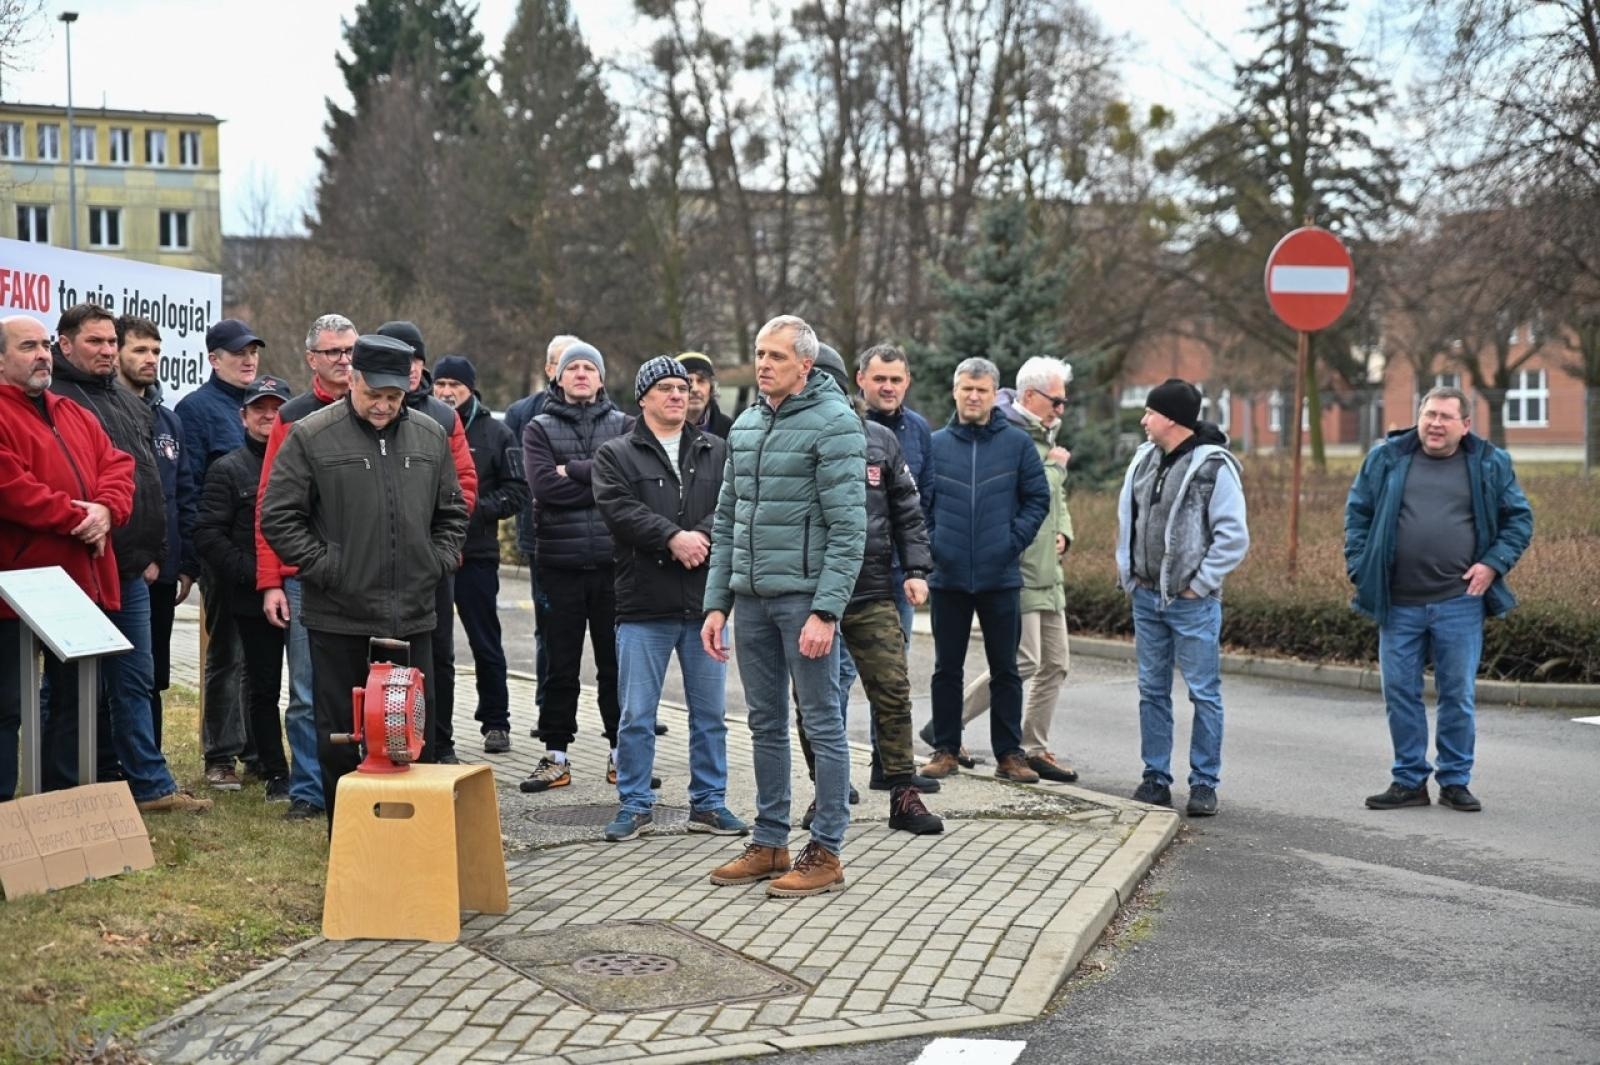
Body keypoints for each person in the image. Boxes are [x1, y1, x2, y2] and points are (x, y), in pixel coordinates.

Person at [0, 314, 207, 813]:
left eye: (44, 345)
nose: (42, 354)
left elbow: (118, 465)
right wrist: (78, 516)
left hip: (83, 583)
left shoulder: (70, 411)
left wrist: (107, 510)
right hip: (18, 589)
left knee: (77, 698)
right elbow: (12, 489)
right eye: (28, 346)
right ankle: (7, 810)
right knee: (8, 706)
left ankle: (66, 802)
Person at [259, 335, 469, 824]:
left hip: (413, 615)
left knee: (411, 735)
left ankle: (407, 845)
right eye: (374, 393)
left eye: (393, 397)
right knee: (338, 740)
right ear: (352, 380)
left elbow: (453, 512)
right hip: (339, 616)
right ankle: (348, 842)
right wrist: (327, 567)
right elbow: (278, 515)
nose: (383, 405)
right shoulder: (312, 435)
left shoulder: (429, 435)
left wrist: (436, 561)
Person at [701, 315, 866, 898]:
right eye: (758, 353)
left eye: (774, 355)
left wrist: (826, 611)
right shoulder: (745, 425)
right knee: (764, 722)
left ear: (806, 365)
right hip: (750, 599)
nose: (762, 363)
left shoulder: (836, 424)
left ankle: (826, 849)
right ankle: (770, 840)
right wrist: (716, 602)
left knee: (822, 722)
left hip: (803, 601)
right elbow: (727, 520)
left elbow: (849, 529)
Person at [1345, 385, 1533, 813]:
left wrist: (1492, 564)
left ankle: (1454, 781)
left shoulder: (1488, 464)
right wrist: (1360, 564)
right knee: (1400, 693)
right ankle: (1409, 780)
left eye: (1446, 416)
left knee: (1457, 695)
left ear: (1465, 425)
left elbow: (1518, 519)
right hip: (1398, 603)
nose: (1435, 423)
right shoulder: (1387, 459)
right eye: (1429, 414)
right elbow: (1358, 514)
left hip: (1459, 602)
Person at [592, 356, 749, 841]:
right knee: (637, 714)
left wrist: (696, 538)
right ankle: (635, 804)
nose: (678, 394)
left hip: (705, 605)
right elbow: (619, 511)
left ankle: (708, 804)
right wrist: (671, 539)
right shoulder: (615, 454)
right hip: (644, 605)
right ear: (643, 398)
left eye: (683, 387)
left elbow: (734, 505)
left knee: (710, 716)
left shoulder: (717, 450)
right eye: (665, 387)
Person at [799, 344, 942, 836]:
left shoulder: (878, 440)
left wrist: (917, 569)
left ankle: (903, 793)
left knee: (893, 689)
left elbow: (907, 510)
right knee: (815, 700)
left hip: (871, 590)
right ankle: (828, 792)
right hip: (808, 593)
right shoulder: (790, 439)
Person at [49, 304, 173, 787]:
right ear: (65, 345)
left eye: (110, 342)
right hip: (79, 567)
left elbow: (142, 479)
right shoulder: (58, 400)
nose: (107, 351)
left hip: (131, 569)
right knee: (70, 686)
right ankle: (72, 782)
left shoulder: (125, 401)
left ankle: (148, 784)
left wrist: (153, 553)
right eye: (95, 342)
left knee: (134, 682)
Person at [1115, 378, 1249, 817]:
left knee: (1203, 693)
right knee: (1151, 690)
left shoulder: (1214, 467)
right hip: (1147, 597)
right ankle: (1155, 778)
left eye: (1149, 412)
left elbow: (1233, 536)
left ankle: (1204, 783)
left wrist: (1200, 583)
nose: (1143, 420)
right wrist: (1130, 575)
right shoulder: (1145, 459)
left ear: (1170, 418)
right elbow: (1130, 519)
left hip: (1193, 603)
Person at [946, 357, 1080, 784]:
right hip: (1016, 568)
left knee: (1055, 664)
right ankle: (945, 727)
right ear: (1028, 396)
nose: (1061, 408)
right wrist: (1057, 468)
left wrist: (1064, 531)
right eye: (1055, 400)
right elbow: (1022, 494)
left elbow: (1051, 503)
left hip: (1048, 569)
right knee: (1021, 661)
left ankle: (1034, 747)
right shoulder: (1011, 435)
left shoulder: (1045, 435)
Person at [921, 357, 1051, 785]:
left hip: (1000, 576)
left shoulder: (1016, 445)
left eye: (982, 389)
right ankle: (945, 748)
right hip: (949, 575)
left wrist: (1010, 543)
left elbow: (1037, 499)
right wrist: (937, 545)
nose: (973, 396)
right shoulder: (935, 445)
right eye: (966, 388)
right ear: (955, 391)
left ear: (995, 395)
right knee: (947, 668)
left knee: (1006, 670)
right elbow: (919, 504)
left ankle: (1010, 755)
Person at [254, 313, 358, 819]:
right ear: (311, 359)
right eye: (333, 352)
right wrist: (272, 580)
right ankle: (309, 790)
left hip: (367, 574)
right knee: (304, 690)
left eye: (350, 350)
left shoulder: (380, 409)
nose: (344, 360)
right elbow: (272, 503)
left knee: (370, 686)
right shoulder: (292, 416)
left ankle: (360, 784)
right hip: (305, 578)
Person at [519, 341, 632, 791]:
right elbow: (545, 488)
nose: (582, 373)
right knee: (560, 665)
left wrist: (574, 471)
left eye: (590, 367)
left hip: (614, 565)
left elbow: (625, 486)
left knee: (616, 666)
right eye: (574, 367)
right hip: (559, 566)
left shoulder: (625, 424)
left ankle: (622, 756)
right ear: (558, 378)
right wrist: (598, 478)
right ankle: (556, 756)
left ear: (602, 379)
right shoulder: (538, 428)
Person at [375, 321, 478, 764]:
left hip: (432, 563)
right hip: (374, 564)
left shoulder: (443, 416)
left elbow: (464, 487)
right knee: (381, 657)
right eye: (401, 360)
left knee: (438, 657)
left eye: (416, 360)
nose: (410, 369)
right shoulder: (366, 412)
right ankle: (383, 739)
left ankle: (440, 741)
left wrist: (438, 549)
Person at [193, 376, 294, 803]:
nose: (268, 417)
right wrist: (252, 575)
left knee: (295, 687)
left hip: (300, 589)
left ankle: (270, 758)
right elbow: (209, 533)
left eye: (276, 410)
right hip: (248, 593)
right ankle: (253, 763)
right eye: (259, 410)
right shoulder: (228, 468)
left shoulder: (299, 462)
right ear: (244, 416)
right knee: (251, 678)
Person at [176, 318, 264, 790]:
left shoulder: (272, 400)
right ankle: (220, 755)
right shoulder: (196, 409)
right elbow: (187, 487)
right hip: (223, 560)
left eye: (253, 351)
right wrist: (195, 559)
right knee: (226, 656)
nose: (249, 359)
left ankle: (258, 751)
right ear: (214, 358)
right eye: (238, 353)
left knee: (262, 660)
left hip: (268, 558)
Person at [432, 354, 529, 755]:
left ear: (471, 388)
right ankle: (435, 729)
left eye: (455, 384)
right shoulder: (425, 422)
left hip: (477, 553)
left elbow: (518, 492)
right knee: (436, 648)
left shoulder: (497, 432)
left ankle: (496, 722)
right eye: (441, 384)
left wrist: (474, 509)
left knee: (485, 642)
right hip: (434, 555)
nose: (447, 391)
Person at [115, 315, 200, 752]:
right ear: (116, 353)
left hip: (165, 574)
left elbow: (183, 494)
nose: (150, 360)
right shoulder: (100, 412)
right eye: (140, 351)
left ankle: (150, 765)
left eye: (156, 352)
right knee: (120, 674)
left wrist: (186, 566)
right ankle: (116, 765)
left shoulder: (169, 421)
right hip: (123, 570)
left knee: (154, 675)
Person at [504, 335, 580, 725]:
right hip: (542, 536)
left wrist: (574, 475)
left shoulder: (611, 416)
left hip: (597, 541)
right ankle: (545, 703)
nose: (576, 371)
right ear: (551, 369)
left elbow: (613, 477)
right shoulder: (523, 414)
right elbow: (534, 480)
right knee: (547, 628)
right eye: (565, 362)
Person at [858, 343, 934, 642]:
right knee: (841, 670)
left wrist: (917, 565)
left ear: (907, 381)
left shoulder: (918, 429)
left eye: (895, 380)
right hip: (856, 570)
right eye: (879, 379)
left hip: (900, 572)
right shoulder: (846, 426)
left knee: (894, 671)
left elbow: (925, 499)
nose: (888, 387)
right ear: (861, 379)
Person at [676, 351, 734, 438]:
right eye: (688, 381)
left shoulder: (728, 428)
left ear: (711, 388)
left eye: (701, 381)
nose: (695, 389)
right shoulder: (659, 427)